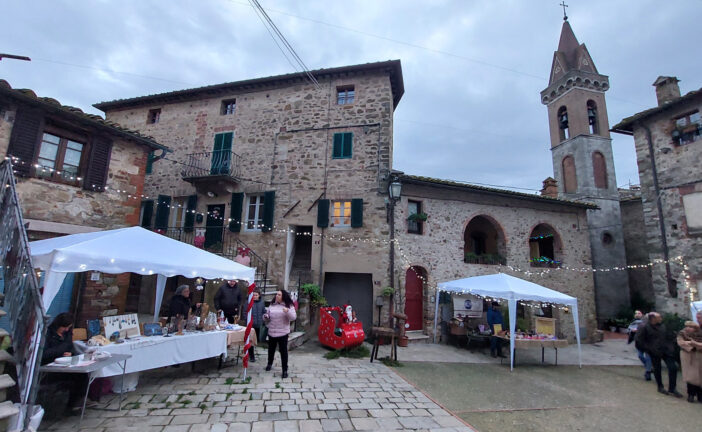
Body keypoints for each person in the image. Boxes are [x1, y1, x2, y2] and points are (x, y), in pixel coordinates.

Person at [40, 313, 92, 414]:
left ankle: (73, 405)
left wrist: (70, 353)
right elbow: (44, 354)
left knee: (83, 376)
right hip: (50, 368)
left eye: (68, 327)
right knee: (74, 380)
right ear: (58, 325)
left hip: (65, 364)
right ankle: (69, 406)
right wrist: (61, 350)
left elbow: (71, 347)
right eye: (64, 327)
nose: (66, 330)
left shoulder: (67, 334)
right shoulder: (48, 334)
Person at [636, 312, 682, 397]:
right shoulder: (644, 326)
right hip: (654, 351)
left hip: (666, 350)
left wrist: (671, 345)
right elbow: (639, 340)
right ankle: (660, 386)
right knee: (657, 369)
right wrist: (648, 349)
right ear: (653, 318)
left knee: (673, 367)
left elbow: (670, 336)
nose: (661, 318)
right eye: (659, 317)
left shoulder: (663, 326)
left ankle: (672, 388)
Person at [263, 289, 296, 378]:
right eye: (276, 294)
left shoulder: (289, 305)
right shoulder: (272, 304)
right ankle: (269, 364)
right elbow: (267, 315)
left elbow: (293, 317)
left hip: (282, 332)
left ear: (283, 296)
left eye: (279, 295)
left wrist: (287, 311)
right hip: (272, 331)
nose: (277, 296)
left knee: (283, 352)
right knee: (271, 349)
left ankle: (284, 370)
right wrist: (266, 316)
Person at [677, 320, 702, 403]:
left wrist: (695, 344)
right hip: (687, 355)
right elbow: (680, 342)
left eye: (691, 327)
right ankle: (691, 394)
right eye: (687, 326)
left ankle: (699, 395)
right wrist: (691, 344)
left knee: (699, 376)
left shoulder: (700, 334)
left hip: (699, 356)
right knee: (689, 376)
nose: (688, 328)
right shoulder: (682, 333)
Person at [628, 310, 652, 380]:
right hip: (640, 343)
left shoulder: (651, 326)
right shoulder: (636, 323)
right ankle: (648, 367)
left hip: (648, 344)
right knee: (640, 356)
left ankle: (648, 372)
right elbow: (631, 331)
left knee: (648, 358)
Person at [248, 289, 265, 363]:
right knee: (251, 340)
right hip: (251, 324)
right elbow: (245, 312)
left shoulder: (261, 302)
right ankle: (251, 355)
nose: (255, 296)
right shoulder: (249, 302)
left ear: (259, 295)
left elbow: (263, 311)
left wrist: (264, 318)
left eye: (256, 295)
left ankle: (250, 351)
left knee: (256, 339)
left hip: (258, 324)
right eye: (253, 295)